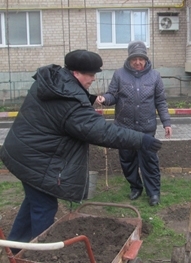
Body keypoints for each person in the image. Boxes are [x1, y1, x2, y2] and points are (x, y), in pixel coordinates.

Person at [0, 49, 162, 250]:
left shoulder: (55, 81)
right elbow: (101, 131)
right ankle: (41, 254)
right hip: (36, 160)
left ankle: (14, 248)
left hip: (24, 152)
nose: (94, 79)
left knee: (33, 202)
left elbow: (66, 103)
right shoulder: (70, 102)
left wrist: (88, 97)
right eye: (91, 75)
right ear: (76, 73)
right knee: (44, 207)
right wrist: (142, 140)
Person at [96, 41, 172, 206]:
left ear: (146, 59)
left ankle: (153, 193)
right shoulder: (119, 75)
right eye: (134, 59)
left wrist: (167, 122)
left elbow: (161, 101)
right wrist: (104, 99)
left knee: (149, 161)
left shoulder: (155, 76)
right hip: (124, 128)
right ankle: (135, 187)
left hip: (146, 128)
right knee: (128, 160)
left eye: (141, 59)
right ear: (129, 59)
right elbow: (112, 95)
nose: (138, 62)